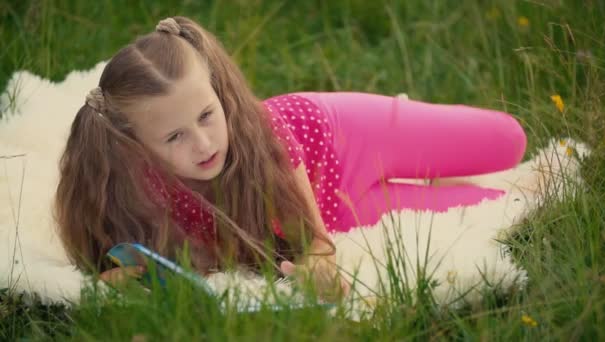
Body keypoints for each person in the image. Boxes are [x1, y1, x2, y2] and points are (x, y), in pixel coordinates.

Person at [53, 16, 526, 300]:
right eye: (175, 136)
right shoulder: (150, 188)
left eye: (206, 114)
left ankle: (422, 156)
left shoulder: (264, 135)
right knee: (497, 201)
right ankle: (436, 189)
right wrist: (128, 277)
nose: (203, 144)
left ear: (220, 94)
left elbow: (318, 248)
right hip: (341, 208)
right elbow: (187, 264)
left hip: (345, 133)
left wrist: (320, 261)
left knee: (510, 142)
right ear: (138, 147)